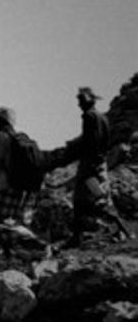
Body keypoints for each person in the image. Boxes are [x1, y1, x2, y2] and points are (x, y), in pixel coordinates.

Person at [64, 87, 131, 247]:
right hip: (100, 163)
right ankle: (120, 229)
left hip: (90, 165)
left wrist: (75, 148)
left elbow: (89, 142)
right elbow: (102, 141)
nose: (79, 103)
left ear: (89, 100)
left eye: (81, 100)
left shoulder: (89, 117)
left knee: (82, 200)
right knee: (98, 199)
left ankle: (78, 237)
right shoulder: (103, 118)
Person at [0, 107, 43, 258]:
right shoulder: (18, 136)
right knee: (11, 219)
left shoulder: (1, 136)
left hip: (4, 184)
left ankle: (0, 249)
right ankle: (11, 248)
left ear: (2, 121)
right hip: (19, 186)